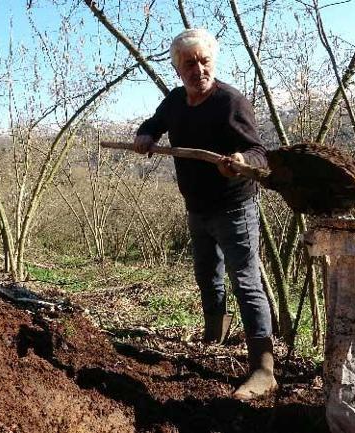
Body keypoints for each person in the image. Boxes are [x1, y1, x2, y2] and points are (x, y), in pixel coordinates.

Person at [133, 28, 277, 400]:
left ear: (213, 61)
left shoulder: (231, 103)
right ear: (178, 70)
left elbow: (260, 154)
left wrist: (243, 162)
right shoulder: (176, 101)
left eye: (204, 61)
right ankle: (215, 336)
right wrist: (145, 135)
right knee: (207, 275)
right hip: (196, 207)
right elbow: (154, 123)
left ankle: (263, 367)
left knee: (245, 281)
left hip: (234, 209)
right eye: (189, 64)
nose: (198, 69)